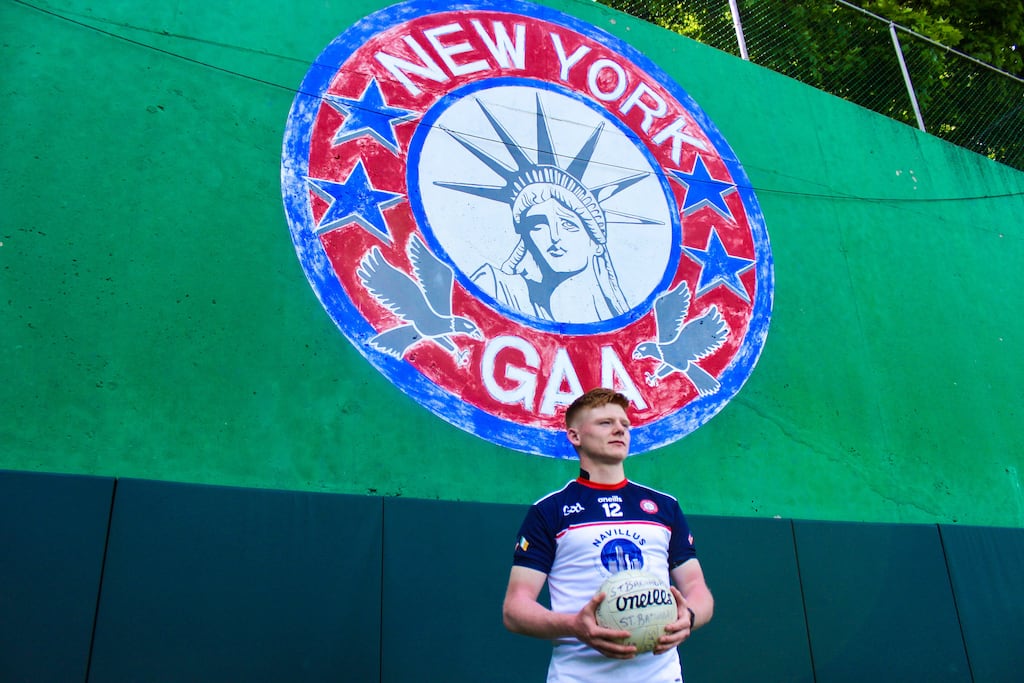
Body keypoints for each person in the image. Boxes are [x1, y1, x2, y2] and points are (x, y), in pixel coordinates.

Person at [503, 388, 713, 682]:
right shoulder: (550, 511)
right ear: (575, 436)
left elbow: (696, 587)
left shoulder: (665, 507)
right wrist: (574, 625)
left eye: (625, 424)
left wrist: (689, 618)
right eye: (605, 423)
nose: (619, 429)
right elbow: (515, 609)